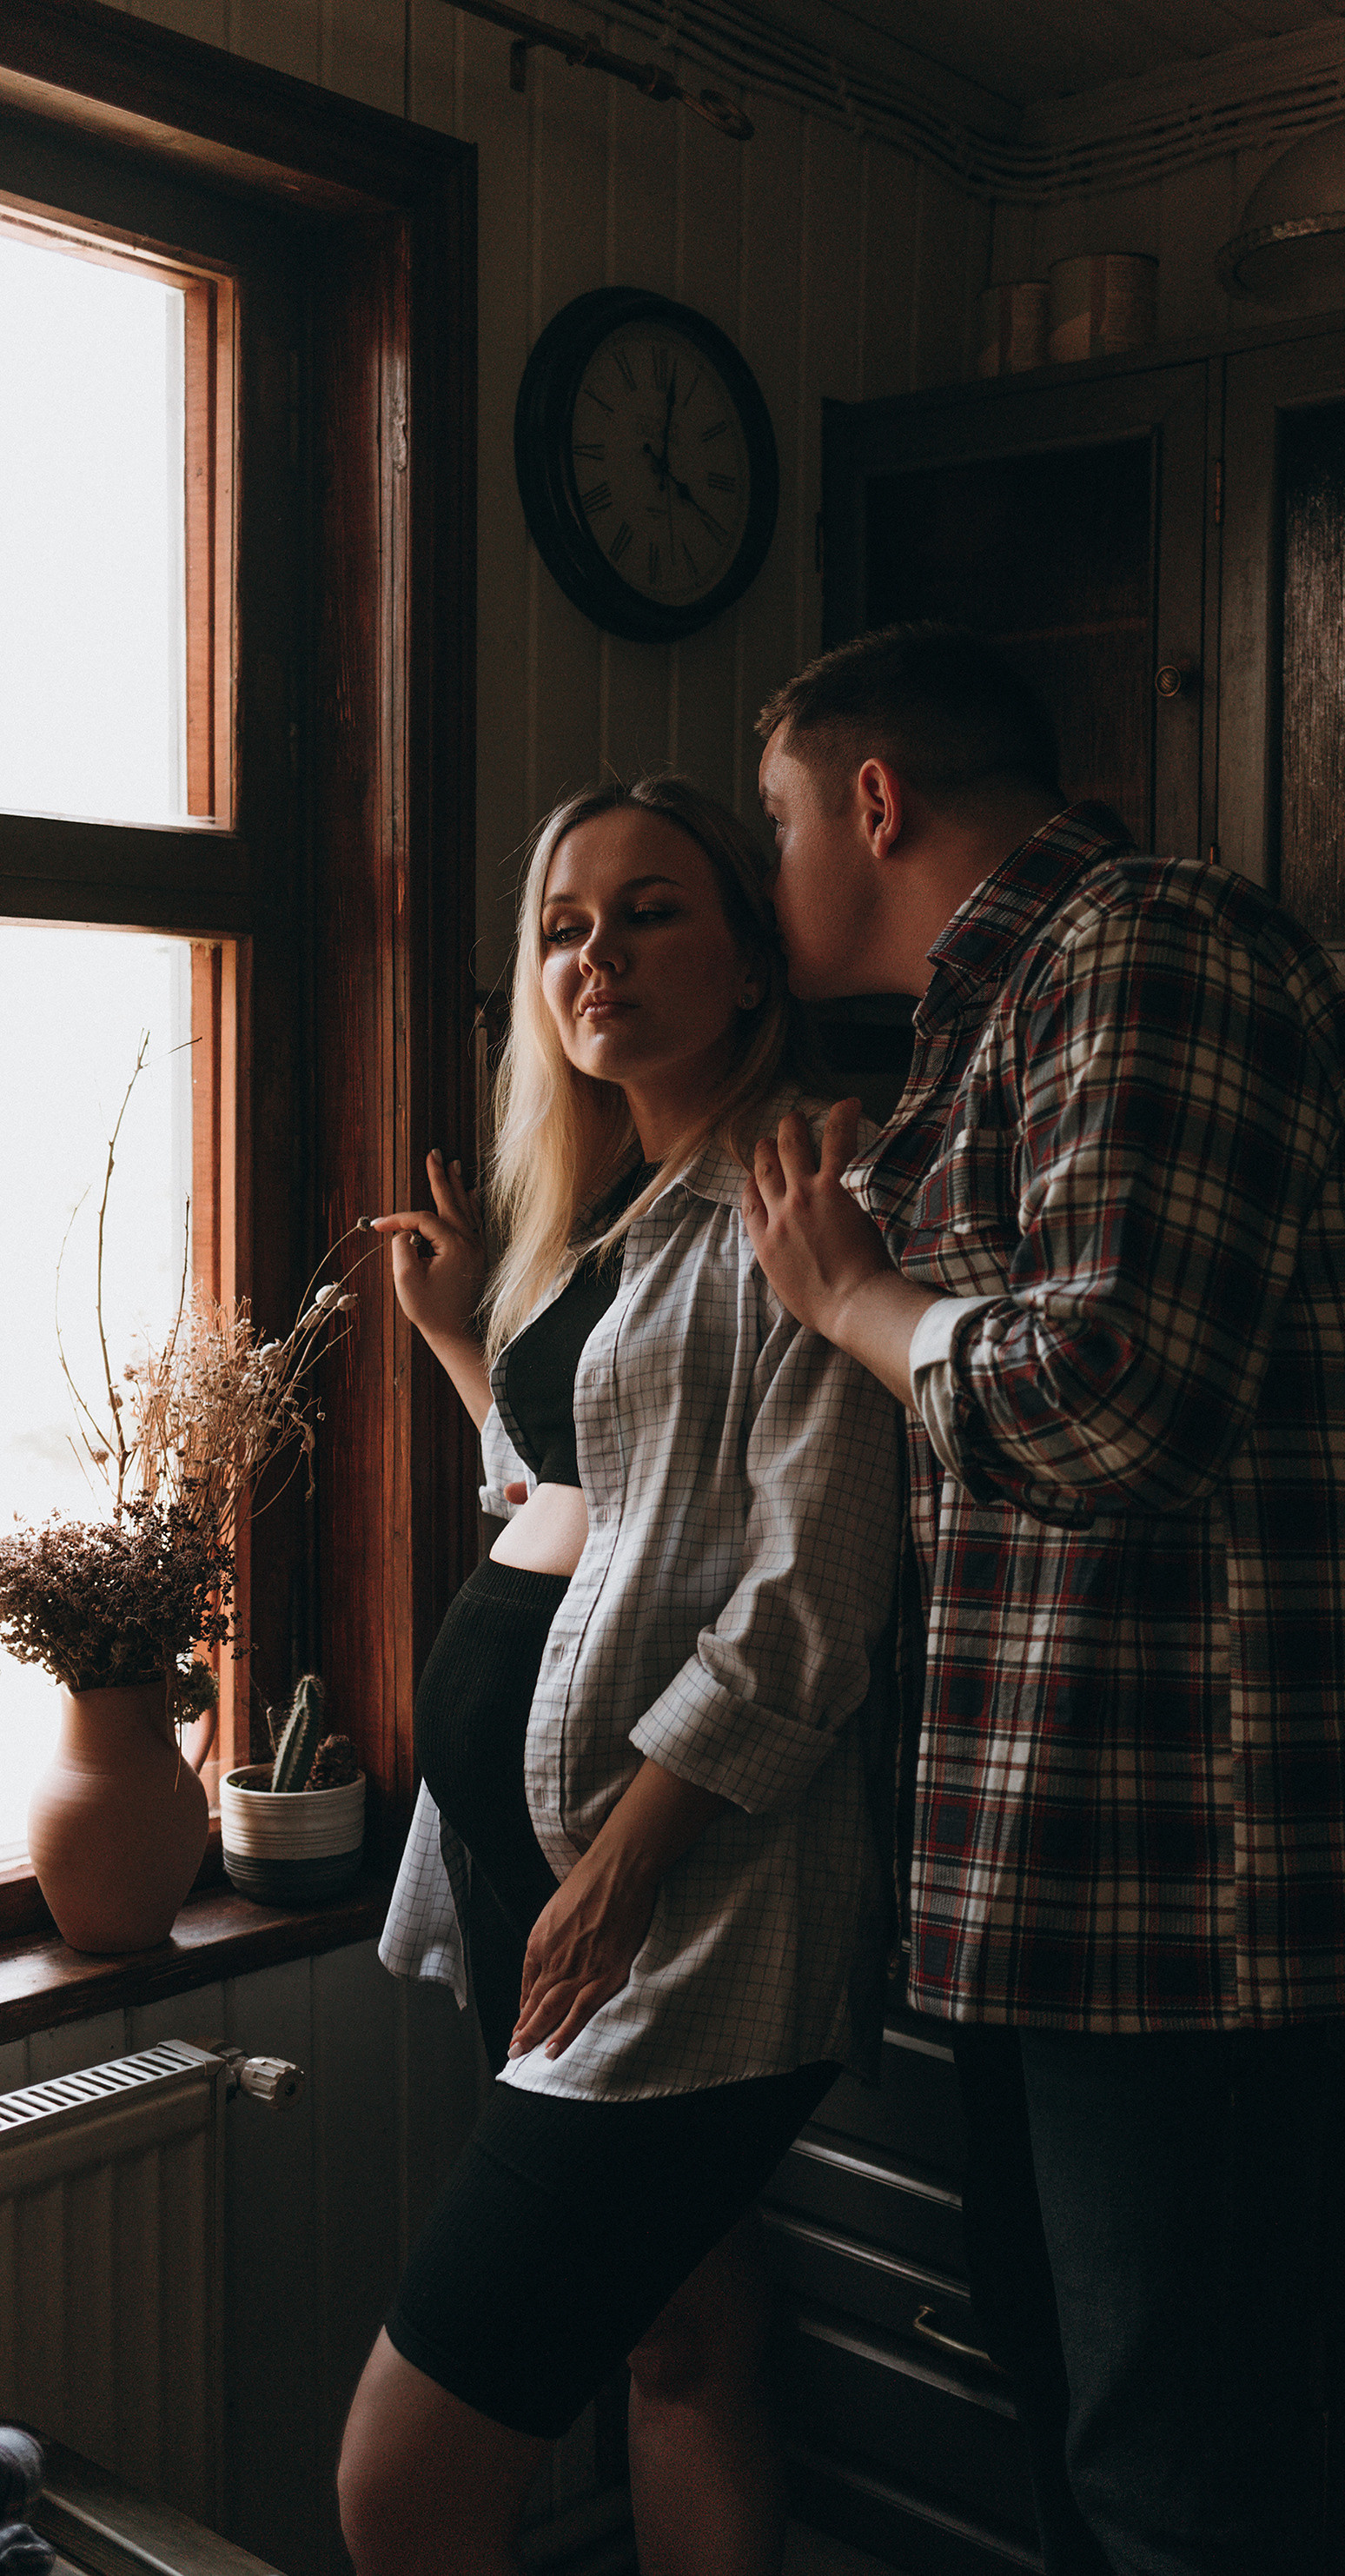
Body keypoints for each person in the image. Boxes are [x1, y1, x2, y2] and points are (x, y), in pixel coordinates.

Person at [739, 624, 1345, 2576]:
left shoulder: (1146, 947)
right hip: (1062, 1872)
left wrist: (857, 1300)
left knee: (1186, 2484)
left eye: (774, 823)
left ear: (874, 800)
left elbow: (1112, 1403)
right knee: (1103, 2443)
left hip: (1199, 1885)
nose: (772, 874)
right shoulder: (998, 1020)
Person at [338, 775, 901, 2576]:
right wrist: (458, 1349)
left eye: (651, 911)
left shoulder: (801, 1190)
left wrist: (625, 1863)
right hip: (543, 1874)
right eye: (566, 925)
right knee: (683, 2335)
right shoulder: (612, 1208)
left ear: (748, 956)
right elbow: (578, 1509)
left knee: (401, 2487)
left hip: (675, 1903)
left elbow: (808, 1596)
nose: (598, 955)